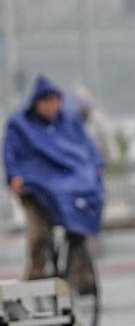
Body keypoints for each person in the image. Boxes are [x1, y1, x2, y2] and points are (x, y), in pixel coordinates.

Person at [3, 75, 104, 291]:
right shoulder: (20, 125)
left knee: (79, 227)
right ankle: (36, 276)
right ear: (36, 103)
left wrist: (97, 167)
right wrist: (15, 177)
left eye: (54, 101)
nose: (51, 107)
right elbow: (11, 153)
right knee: (39, 235)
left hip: (70, 189)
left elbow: (88, 149)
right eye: (45, 102)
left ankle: (82, 276)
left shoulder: (70, 121)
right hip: (36, 189)